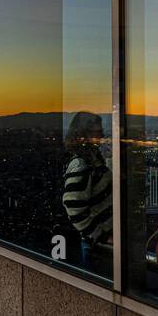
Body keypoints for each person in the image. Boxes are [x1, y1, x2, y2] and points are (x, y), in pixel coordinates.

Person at [62, 111, 112, 267]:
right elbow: (73, 206)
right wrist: (97, 235)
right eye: (98, 132)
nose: (102, 135)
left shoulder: (92, 159)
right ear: (84, 133)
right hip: (96, 245)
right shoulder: (81, 164)